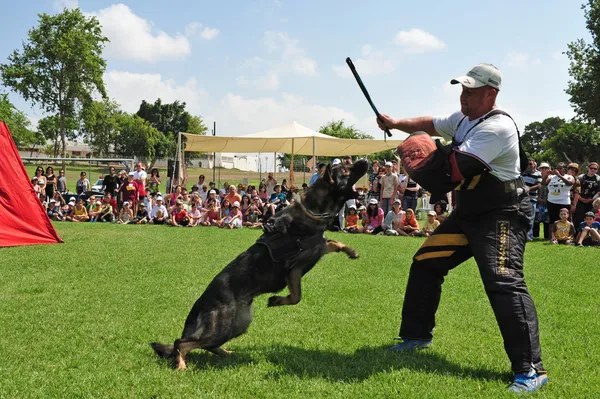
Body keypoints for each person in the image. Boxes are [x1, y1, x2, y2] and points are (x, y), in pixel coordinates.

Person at [377, 63, 547, 392]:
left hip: (502, 214)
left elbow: (446, 176)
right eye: (462, 89)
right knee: (426, 263)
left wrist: (422, 162)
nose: (463, 96)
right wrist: (396, 123)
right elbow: (430, 123)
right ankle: (415, 337)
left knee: (504, 282)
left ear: (490, 93)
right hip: (470, 214)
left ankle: (531, 370)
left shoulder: (496, 129)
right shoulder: (464, 118)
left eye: (470, 91)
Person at [572, 162, 600, 229]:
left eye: (595, 169)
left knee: (591, 218)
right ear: (588, 168)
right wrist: (581, 198)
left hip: (593, 202)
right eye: (591, 168)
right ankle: (577, 236)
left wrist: (592, 199)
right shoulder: (581, 177)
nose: (593, 170)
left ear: (597, 170)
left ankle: (590, 236)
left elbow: (599, 192)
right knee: (579, 218)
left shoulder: (598, 178)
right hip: (581, 200)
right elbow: (577, 189)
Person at [521, 159, 542, 241]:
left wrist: (528, 189)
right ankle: (522, 235)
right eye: (527, 164)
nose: (528, 165)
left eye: (530, 164)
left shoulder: (538, 174)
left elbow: (538, 185)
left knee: (530, 218)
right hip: (521, 199)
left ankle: (529, 236)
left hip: (531, 199)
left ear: (534, 165)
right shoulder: (522, 173)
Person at [534, 162, 551, 240]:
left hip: (548, 201)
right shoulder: (536, 177)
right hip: (537, 201)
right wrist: (538, 199)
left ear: (549, 169)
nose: (544, 170)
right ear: (539, 169)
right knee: (536, 218)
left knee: (547, 219)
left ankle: (546, 236)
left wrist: (547, 199)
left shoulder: (551, 178)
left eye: (546, 168)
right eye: (542, 168)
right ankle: (535, 235)